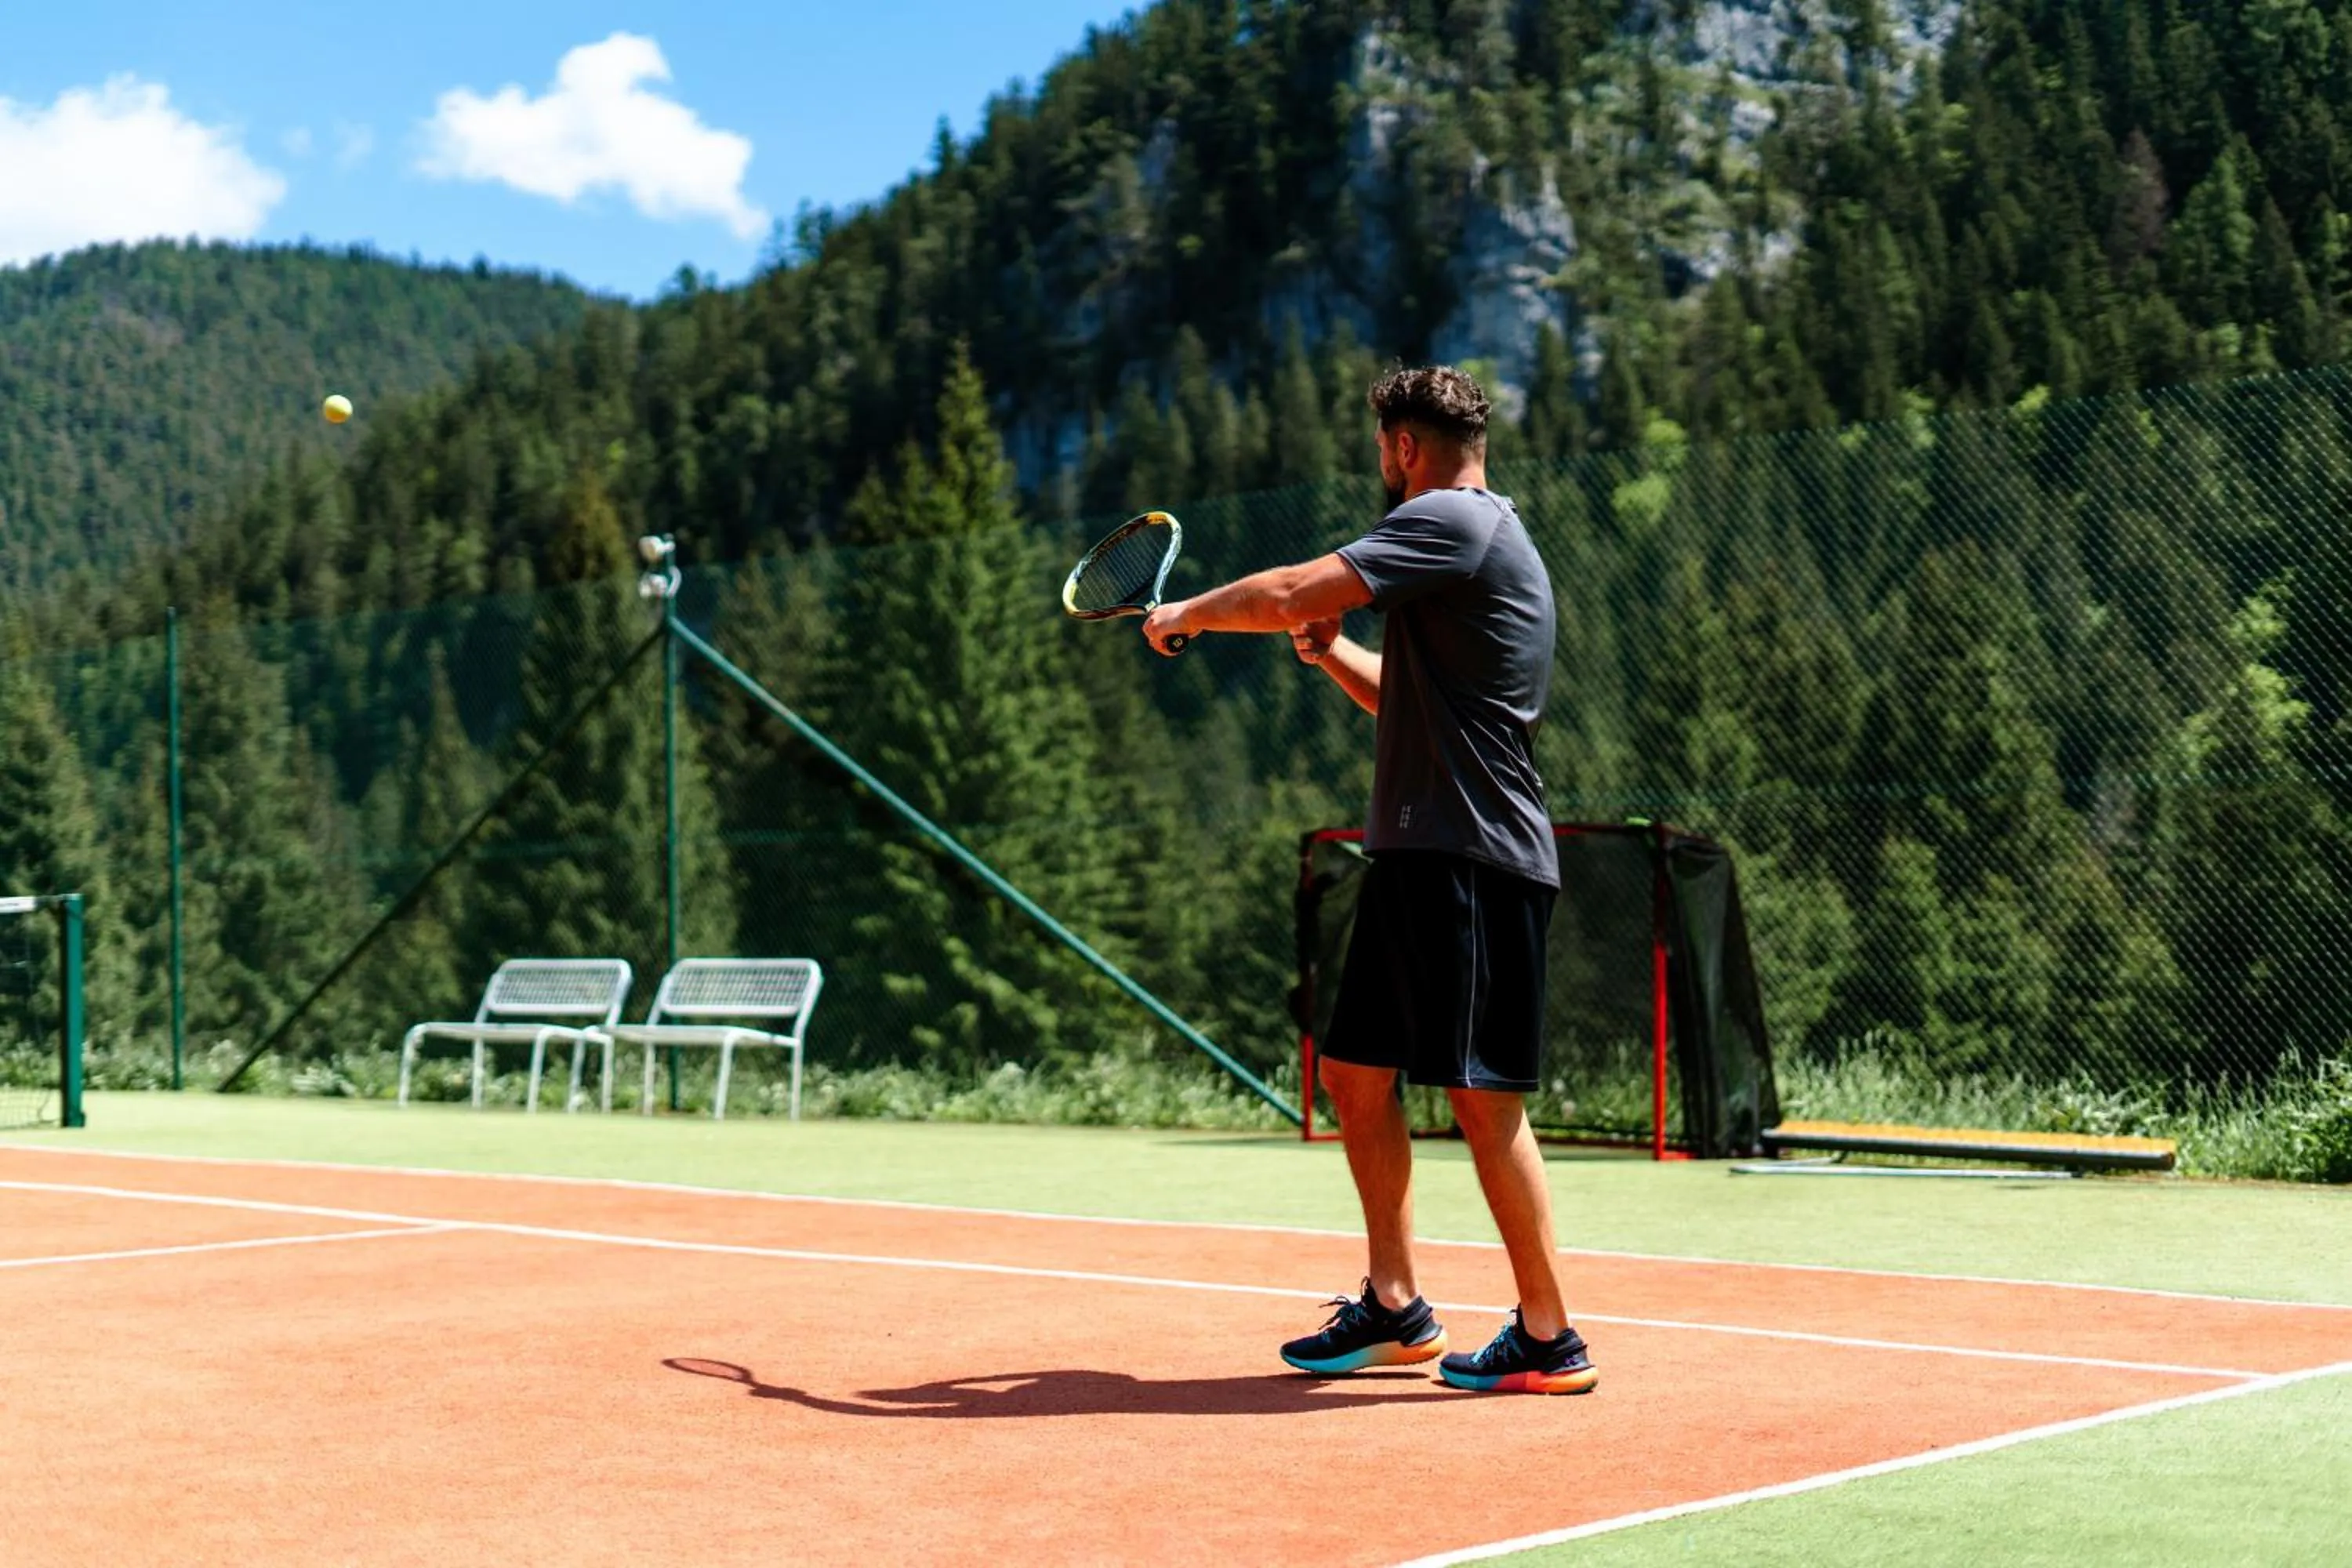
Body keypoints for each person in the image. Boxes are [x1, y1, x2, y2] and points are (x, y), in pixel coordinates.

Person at [1141, 365, 1595, 1396]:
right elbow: (1410, 703)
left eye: (1381, 451)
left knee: (1485, 1103)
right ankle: (1396, 1307)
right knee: (1355, 1076)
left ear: (1402, 448)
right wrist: (1335, 652)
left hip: (1474, 859)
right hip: (1419, 860)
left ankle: (1550, 1333)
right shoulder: (1465, 543)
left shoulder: (1455, 523)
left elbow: (1296, 586)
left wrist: (1186, 616)